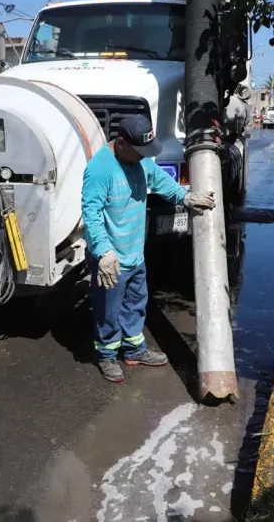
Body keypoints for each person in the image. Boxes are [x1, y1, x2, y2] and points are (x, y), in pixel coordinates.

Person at [82, 115, 216, 383]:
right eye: (139, 152)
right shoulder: (100, 169)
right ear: (121, 143)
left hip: (134, 253)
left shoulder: (140, 160)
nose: (144, 157)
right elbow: (91, 212)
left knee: (135, 303)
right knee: (108, 311)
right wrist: (103, 252)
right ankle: (107, 355)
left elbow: (159, 180)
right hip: (111, 258)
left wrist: (185, 197)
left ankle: (134, 350)